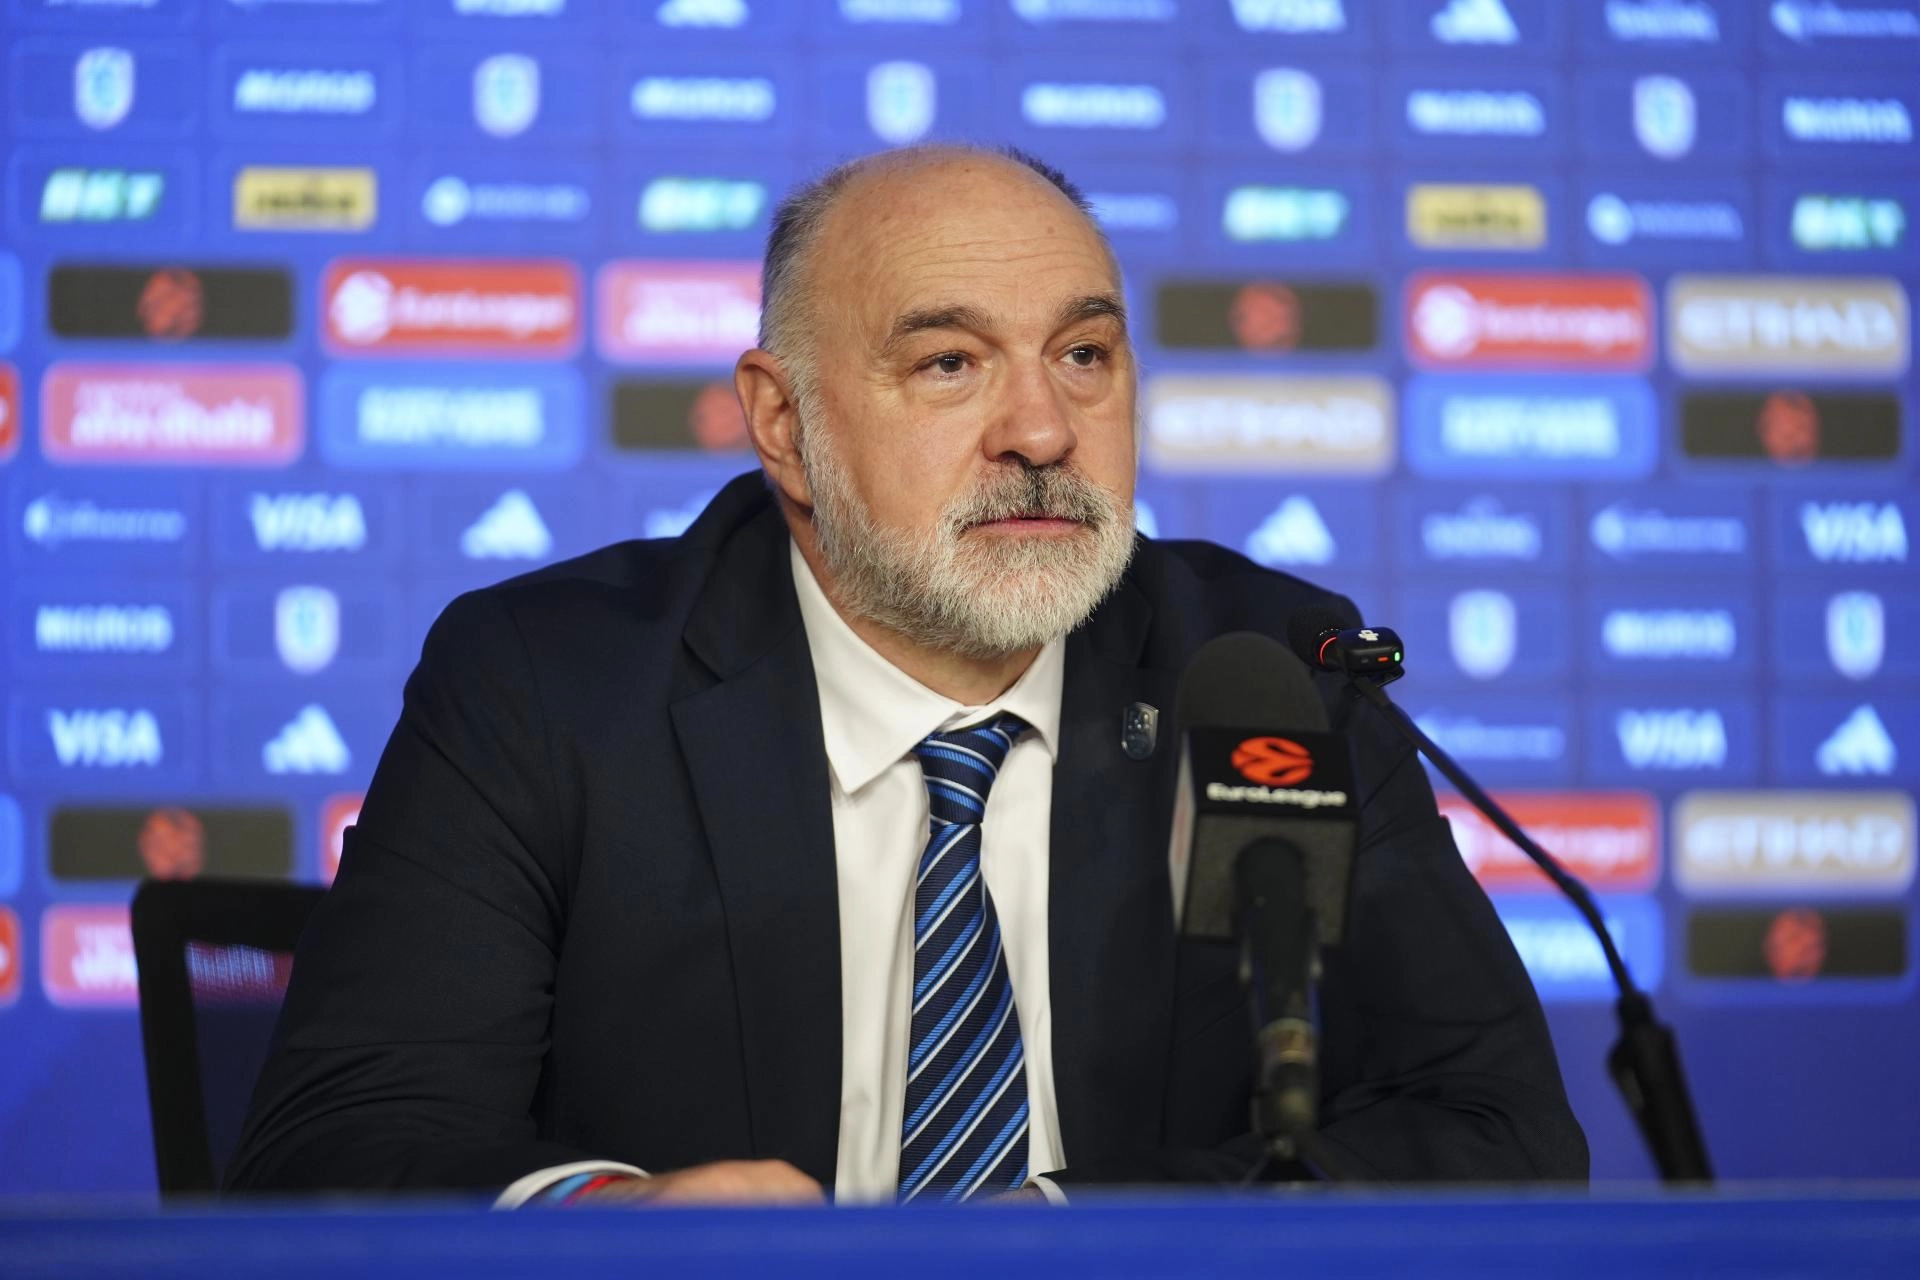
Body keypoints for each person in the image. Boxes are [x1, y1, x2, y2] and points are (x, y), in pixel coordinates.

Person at [226, 145, 1587, 1206]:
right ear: (784, 426)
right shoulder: (547, 687)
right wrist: (609, 1220)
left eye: (1085, 355)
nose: (1043, 429)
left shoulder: (1270, 674)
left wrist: (1068, 1238)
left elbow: (1499, 1128)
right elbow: (336, 1147)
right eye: (949, 363)